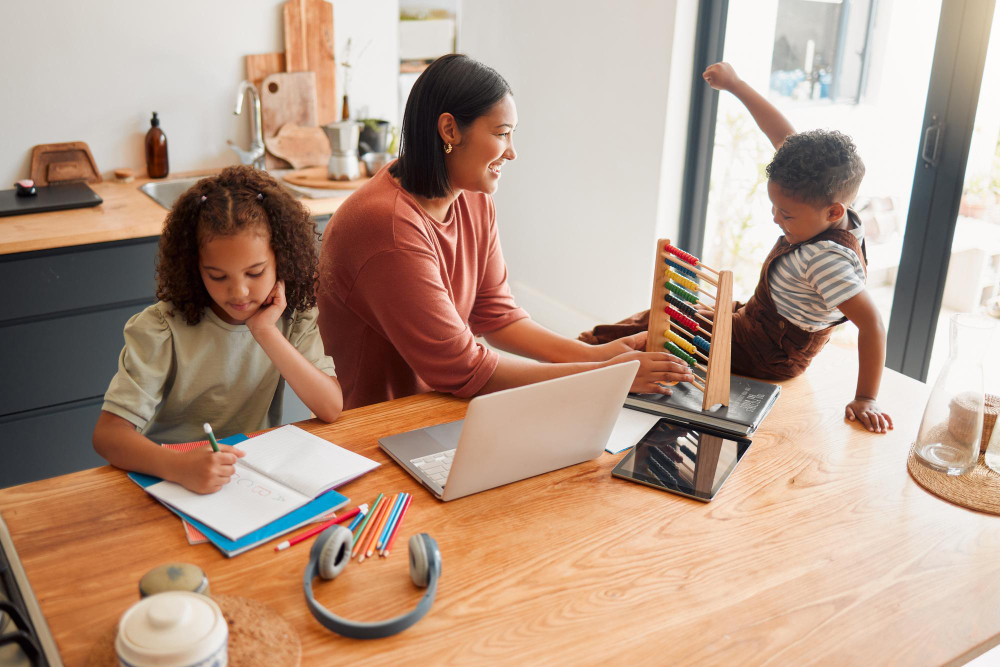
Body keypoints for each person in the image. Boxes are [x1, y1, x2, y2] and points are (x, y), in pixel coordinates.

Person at [318, 54, 694, 410]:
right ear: (449, 129)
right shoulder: (387, 227)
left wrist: (597, 355)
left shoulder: (471, 198)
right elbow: (461, 366)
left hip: (445, 409)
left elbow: (496, 315)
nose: (511, 152)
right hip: (378, 430)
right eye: (502, 133)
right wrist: (606, 375)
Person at [93, 166, 343, 493]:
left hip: (246, 477)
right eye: (218, 276)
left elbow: (330, 407)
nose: (238, 292)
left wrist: (265, 332)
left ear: (281, 259)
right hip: (169, 476)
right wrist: (178, 467)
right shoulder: (162, 328)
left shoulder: (292, 314)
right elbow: (109, 435)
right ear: (195, 269)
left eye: (255, 273)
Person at [702, 61, 893, 433]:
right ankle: (585, 351)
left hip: (769, 355)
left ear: (832, 211)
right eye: (774, 207)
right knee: (669, 315)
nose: (776, 219)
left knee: (656, 333)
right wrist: (736, 85)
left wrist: (866, 397)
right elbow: (782, 135)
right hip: (755, 322)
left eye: (786, 215)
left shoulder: (827, 261)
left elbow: (871, 324)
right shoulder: (828, 201)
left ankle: (586, 356)